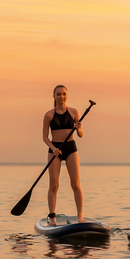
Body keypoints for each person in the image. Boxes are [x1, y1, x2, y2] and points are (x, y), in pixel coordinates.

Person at [42, 84, 85, 226]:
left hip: (71, 148)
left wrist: (78, 129)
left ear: (67, 95)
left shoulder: (74, 112)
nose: (62, 97)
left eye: (64, 94)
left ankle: (80, 216)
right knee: (53, 185)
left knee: (76, 184)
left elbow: (80, 135)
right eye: (59, 94)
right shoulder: (48, 115)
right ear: (54, 96)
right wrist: (53, 148)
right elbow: (45, 138)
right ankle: (52, 218)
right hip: (55, 150)